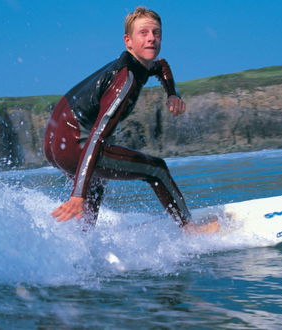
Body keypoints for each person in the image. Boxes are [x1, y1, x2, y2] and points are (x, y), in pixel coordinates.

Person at [44, 6, 219, 233]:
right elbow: (97, 136)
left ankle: (82, 241)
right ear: (128, 41)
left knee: (96, 181)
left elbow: (161, 66)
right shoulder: (125, 79)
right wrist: (78, 194)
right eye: (143, 33)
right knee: (157, 169)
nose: (151, 39)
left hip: (55, 145)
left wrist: (172, 93)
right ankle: (190, 229)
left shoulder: (139, 66)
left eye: (156, 33)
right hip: (74, 146)